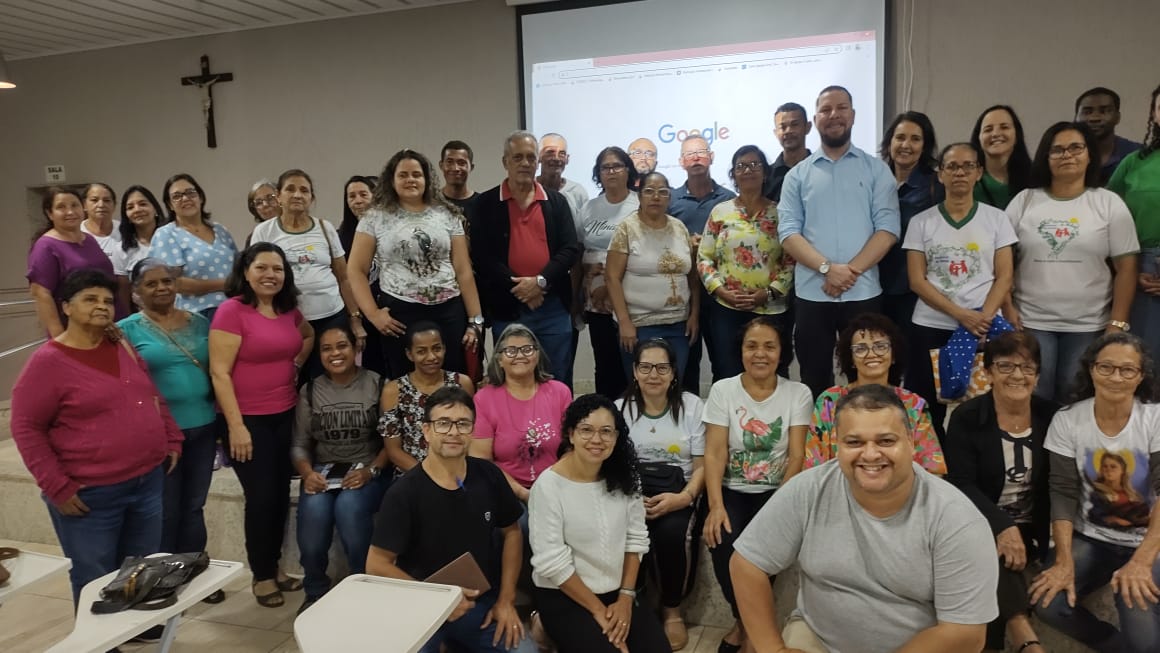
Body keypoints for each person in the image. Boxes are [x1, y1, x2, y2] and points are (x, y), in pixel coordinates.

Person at [730, 384, 999, 653]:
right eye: (854, 442)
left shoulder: (957, 519)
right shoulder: (809, 488)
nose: (870, 454)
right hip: (817, 637)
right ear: (837, 444)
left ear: (910, 441)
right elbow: (746, 565)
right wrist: (773, 649)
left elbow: (966, 634)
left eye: (886, 441)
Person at [11, 270, 182, 606]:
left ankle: (139, 626)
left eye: (107, 300)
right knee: (95, 578)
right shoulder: (48, 362)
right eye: (90, 299)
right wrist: (56, 485)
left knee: (140, 570)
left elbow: (150, 393)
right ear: (66, 307)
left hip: (146, 481)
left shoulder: (121, 345)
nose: (102, 306)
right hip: (92, 493)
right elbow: (26, 427)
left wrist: (171, 437)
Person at [367, 386, 536, 653]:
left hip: (477, 602)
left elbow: (512, 532)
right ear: (426, 431)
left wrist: (506, 600)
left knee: (526, 651)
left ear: (472, 430)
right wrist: (437, 601)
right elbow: (376, 564)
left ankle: (457, 642)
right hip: (421, 603)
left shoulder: (489, 475)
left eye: (463, 424)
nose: (454, 432)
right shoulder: (403, 493)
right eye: (443, 423)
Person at [1031, 333, 1160, 652]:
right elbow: (1063, 490)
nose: (1116, 377)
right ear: (1091, 369)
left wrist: (1142, 561)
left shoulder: (1155, 419)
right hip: (1092, 537)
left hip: (1149, 540)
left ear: (1140, 376)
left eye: (1127, 370)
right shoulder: (1068, 420)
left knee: (1144, 635)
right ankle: (1113, 645)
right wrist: (1063, 559)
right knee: (1047, 602)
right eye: (1106, 367)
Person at [777, 85, 901, 396]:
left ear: (853, 115)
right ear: (815, 119)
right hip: (812, 294)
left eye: (841, 108)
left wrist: (848, 272)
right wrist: (827, 269)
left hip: (864, 292)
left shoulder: (876, 170)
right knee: (815, 377)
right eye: (826, 109)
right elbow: (788, 233)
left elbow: (887, 229)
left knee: (869, 374)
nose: (834, 115)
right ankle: (822, 429)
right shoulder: (797, 176)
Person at [209, 242, 314, 608]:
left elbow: (308, 336)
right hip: (246, 420)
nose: (271, 275)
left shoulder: (288, 310)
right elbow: (220, 373)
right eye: (262, 268)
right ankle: (262, 574)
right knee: (261, 498)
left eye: (278, 269)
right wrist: (236, 427)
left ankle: (274, 566)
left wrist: (296, 365)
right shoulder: (231, 311)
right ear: (246, 271)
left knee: (279, 496)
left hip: (285, 414)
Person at [702, 317, 812, 653]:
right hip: (731, 489)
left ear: (782, 352)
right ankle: (749, 625)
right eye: (752, 346)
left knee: (765, 546)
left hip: (778, 491)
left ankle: (747, 630)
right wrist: (715, 505)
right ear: (741, 351)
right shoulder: (723, 390)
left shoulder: (798, 393)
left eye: (769, 346)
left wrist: (779, 505)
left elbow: (797, 456)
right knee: (723, 541)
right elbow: (715, 452)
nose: (760, 354)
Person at [943, 332, 1059, 653]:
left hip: (1036, 524)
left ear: (1037, 375)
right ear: (988, 372)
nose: (1017, 375)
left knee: (997, 558)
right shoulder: (968, 417)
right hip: (981, 518)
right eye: (1006, 366)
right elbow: (960, 483)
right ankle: (1023, 634)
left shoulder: (1053, 416)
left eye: (1027, 367)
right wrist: (1001, 525)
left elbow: (1062, 483)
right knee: (987, 548)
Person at [1007, 121, 1139, 401]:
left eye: (1076, 148)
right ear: (1046, 157)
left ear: (1090, 154)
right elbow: (1001, 262)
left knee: (1075, 398)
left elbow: (1126, 269)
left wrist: (1116, 325)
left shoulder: (1108, 203)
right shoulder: (1024, 201)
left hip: (1088, 325)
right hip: (1030, 321)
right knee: (1033, 398)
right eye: (1058, 150)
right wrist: (1006, 308)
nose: (1067, 155)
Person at [529, 393, 671, 653]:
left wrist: (626, 597)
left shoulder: (626, 477)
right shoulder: (548, 486)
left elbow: (635, 538)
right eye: (586, 430)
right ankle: (545, 625)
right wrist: (598, 611)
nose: (597, 439)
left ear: (616, 437)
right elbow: (551, 562)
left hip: (618, 591)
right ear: (571, 434)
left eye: (606, 431)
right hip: (566, 595)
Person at [903, 142, 1017, 438]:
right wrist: (962, 315)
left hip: (983, 329)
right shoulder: (921, 222)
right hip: (931, 326)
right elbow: (917, 280)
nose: (960, 173)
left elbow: (1004, 276)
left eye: (968, 166)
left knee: (981, 406)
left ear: (979, 172)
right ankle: (929, 461)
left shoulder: (996, 219)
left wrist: (983, 319)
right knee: (925, 408)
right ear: (940, 174)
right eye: (952, 166)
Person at [118, 260, 218, 587]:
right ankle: (163, 578)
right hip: (161, 435)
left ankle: (193, 573)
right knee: (167, 509)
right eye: (151, 283)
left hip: (205, 428)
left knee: (194, 506)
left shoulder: (200, 322)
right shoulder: (125, 331)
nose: (161, 288)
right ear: (136, 292)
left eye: (167, 281)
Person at [349, 149, 482, 377]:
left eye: (416, 174)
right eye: (403, 175)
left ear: (427, 179)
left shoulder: (447, 214)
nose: (410, 180)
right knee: (405, 382)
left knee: (452, 381)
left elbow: (463, 270)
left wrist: (475, 320)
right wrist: (373, 314)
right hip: (400, 314)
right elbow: (355, 270)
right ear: (391, 180)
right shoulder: (374, 218)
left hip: (449, 311)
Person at [292, 323, 390, 613]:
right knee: (313, 515)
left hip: (367, 471)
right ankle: (315, 591)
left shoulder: (378, 384)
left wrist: (371, 471)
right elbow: (299, 444)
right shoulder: (311, 390)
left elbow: (391, 442)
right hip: (323, 472)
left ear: (355, 347)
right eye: (327, 349)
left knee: (349, 507)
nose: (335, 353)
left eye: (342, 346)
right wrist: (307, 473)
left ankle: (363, 585)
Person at [470, 131, 581, 387]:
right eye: (517, 157)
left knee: (557, 378)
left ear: (537, 162)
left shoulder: (556, 202)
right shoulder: (486, 203)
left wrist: (539, 282)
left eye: (531, 157)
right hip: (508, 306)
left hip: (552, 305)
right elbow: (482, 255)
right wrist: (521, 287)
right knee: (513, 378)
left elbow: (569, 250)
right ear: (505, 162)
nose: (525, 163)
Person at [616, 339, 705, 651]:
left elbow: (703, 464)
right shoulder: (620, 409)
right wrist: (630, 499)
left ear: (673, 372)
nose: (653, 374)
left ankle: (672, 609)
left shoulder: (692, 407)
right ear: (634, 371)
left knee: (671, 533)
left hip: (680, 490)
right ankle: (635, 606)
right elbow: (613, 465)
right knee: (626, 531)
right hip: (632, 493)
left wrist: (684, 498)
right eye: (645, 367)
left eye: (662, 367)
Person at [249, 168, 365, 380]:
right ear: (278, 196)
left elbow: (343, 277)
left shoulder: (325, 228)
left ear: (311, 198)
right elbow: (256, 280)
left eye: (304, 190)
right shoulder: (264, 232)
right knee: (291, 379)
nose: (297, 195)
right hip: (288, 321)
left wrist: (355, 319)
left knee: (331, 379)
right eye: (290, 189)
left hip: (332, 318)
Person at [804, 312, 946, 474]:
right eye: (860, 349)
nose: (871, 354)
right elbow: (814, 466)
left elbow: (932, 469)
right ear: (851, 359)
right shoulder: (829, 400)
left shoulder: (913, 404)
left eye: (880, 346)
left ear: (894, 355)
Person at [698, 145, 795, 381]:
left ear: (765, 173)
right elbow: (704, 257)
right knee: (727, 372)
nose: (748, 170)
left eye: (754, 165)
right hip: (727, 309)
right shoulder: (720, 212)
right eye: (741, 166)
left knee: (772, 372)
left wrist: (769, 293)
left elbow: (791, 260)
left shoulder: (780, 213)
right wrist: (721, 291)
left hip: (771, 309)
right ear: (733, 174)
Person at [606, 170, 698, 382]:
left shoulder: (680, 228)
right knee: (644, 386)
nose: (656, 197)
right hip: (638, 325)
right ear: (639, 196)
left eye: (662, 192)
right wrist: (624, 322)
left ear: (669, 197)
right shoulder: (627, 229)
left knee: (673, 383)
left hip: (678, 324)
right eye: (649, 191)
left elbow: (692, 277)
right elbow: (612, 277)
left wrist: (694, 315)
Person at [470, 324, 571, 508]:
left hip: (558, 485)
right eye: (510, 351)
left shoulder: (560, 392)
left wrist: (548, 488)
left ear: (537, 355)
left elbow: (572, 448)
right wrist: (523, 493)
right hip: (507, 490)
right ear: (499, 360)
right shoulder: (483, 399)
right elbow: (482, 460)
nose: (520, 355)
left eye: (527, 349)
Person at [668, 134, 736, 395]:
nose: (696, 158)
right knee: (686, 366)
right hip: (683, 294)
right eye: (689, 154)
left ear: (712, 157)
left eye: (701, 152)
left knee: (725, 362)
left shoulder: (729, 199)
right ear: (681, 162)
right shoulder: (671, 200)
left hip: (722, 293)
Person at [576, 146, 640, 399]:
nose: (611, 171)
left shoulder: (640, 204)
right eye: (606, 167)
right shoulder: (589, 208)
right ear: (598, 173)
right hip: (597, 303)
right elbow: (579, 249)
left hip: (632, 298)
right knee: (605, 362)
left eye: (617, 166)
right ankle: (606, 413)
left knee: (633, 360)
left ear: (628, 171)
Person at [381, 321, 474, 477]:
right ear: (409, 354)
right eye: (421, 351)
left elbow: (471, 434)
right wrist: (430, 476)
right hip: (413, 475)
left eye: (437, 349)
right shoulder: (393, 390)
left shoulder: (462, 383)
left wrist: (454, 472)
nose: (431, 357)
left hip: (457, 470)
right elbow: (393, 450)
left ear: (444, 349)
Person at [1109, 85, 1160, 360]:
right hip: (1145, 269)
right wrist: (1131, 267)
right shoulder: (1135, 162)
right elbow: (1107, 217)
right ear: (1154, 114)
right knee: (1144, 359)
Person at [879, 111, 942, 328]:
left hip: (914, 291)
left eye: (915, 139)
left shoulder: (936, 186)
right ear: (889, 142)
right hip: (872, 286)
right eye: (900, 137)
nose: (906, 145)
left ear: (925, 146)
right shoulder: (874, 181)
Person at [28, 186, 118, 336]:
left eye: (74, 205)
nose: (70, 212)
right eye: (61, 207)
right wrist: (59, 337)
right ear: (50, 213)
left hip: (107, 322)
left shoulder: (89, 240)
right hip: (73, 331)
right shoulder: (45, 246)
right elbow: (41, 293)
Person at [153, 173, 239, 319]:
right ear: (170, 205)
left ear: (201, 197)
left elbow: (239, 268)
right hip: (198, 314)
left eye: (190, 193)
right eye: (177, 196)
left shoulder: (220, 230)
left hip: (235, 307)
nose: (185, 198)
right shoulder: (166, 234)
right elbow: (174, 283)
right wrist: (224, 284)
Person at [335, 175, 385, 376]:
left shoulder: (389, 230)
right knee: (370, 369)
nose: (357, 200)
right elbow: (342, 279)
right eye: (352, 196)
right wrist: (354, 317)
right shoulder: (341, 236)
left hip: (389, 309)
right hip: (360, 312)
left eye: (363, 194)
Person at [112, 185, 167, 307]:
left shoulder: (172, 240)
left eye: (143, 204)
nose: (137, 209)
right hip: (143, 313)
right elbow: (123, 292)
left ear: (155, 209)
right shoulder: (121, 249)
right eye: (130, 207)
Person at [970, 105, 1032, 210]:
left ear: (1017, 135)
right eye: (988, 129)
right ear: (978, 138)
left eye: (1004, 127)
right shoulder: (968, 181)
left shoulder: (1036, 179)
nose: (995, 134)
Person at [1075, 87, 1142, 185]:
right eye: (1087, 112)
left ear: (1117, 117)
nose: (1095, 118)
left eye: (1104, 111)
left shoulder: (1139, 154)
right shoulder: (1063, 155)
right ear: (1076, 118)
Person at [763, 102, 812, 202]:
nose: (788, 131)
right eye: (782, 127)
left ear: (807, 127)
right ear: (776, 133)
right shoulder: (765, 177)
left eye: (794, 125)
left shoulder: (823, 169)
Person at [538, 132, 589, 220]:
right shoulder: (529, 188)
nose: (556, 158)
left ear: (567, 159)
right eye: (550, 152)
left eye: (562, 153)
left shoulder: (577, 192)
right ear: (538, 156)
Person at [80, 182, 122, 260]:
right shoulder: (76, 233)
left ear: (114, 205)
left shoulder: (125, 231)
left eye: (107, 200)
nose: (101, 205)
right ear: (84, 205)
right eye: (94, 200)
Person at [440, 140, 481, 214]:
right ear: (441, 165)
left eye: (461, 163)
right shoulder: (430, 202)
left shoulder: (482, 203)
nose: (455, 168)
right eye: (449, 162)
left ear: (471, 167)